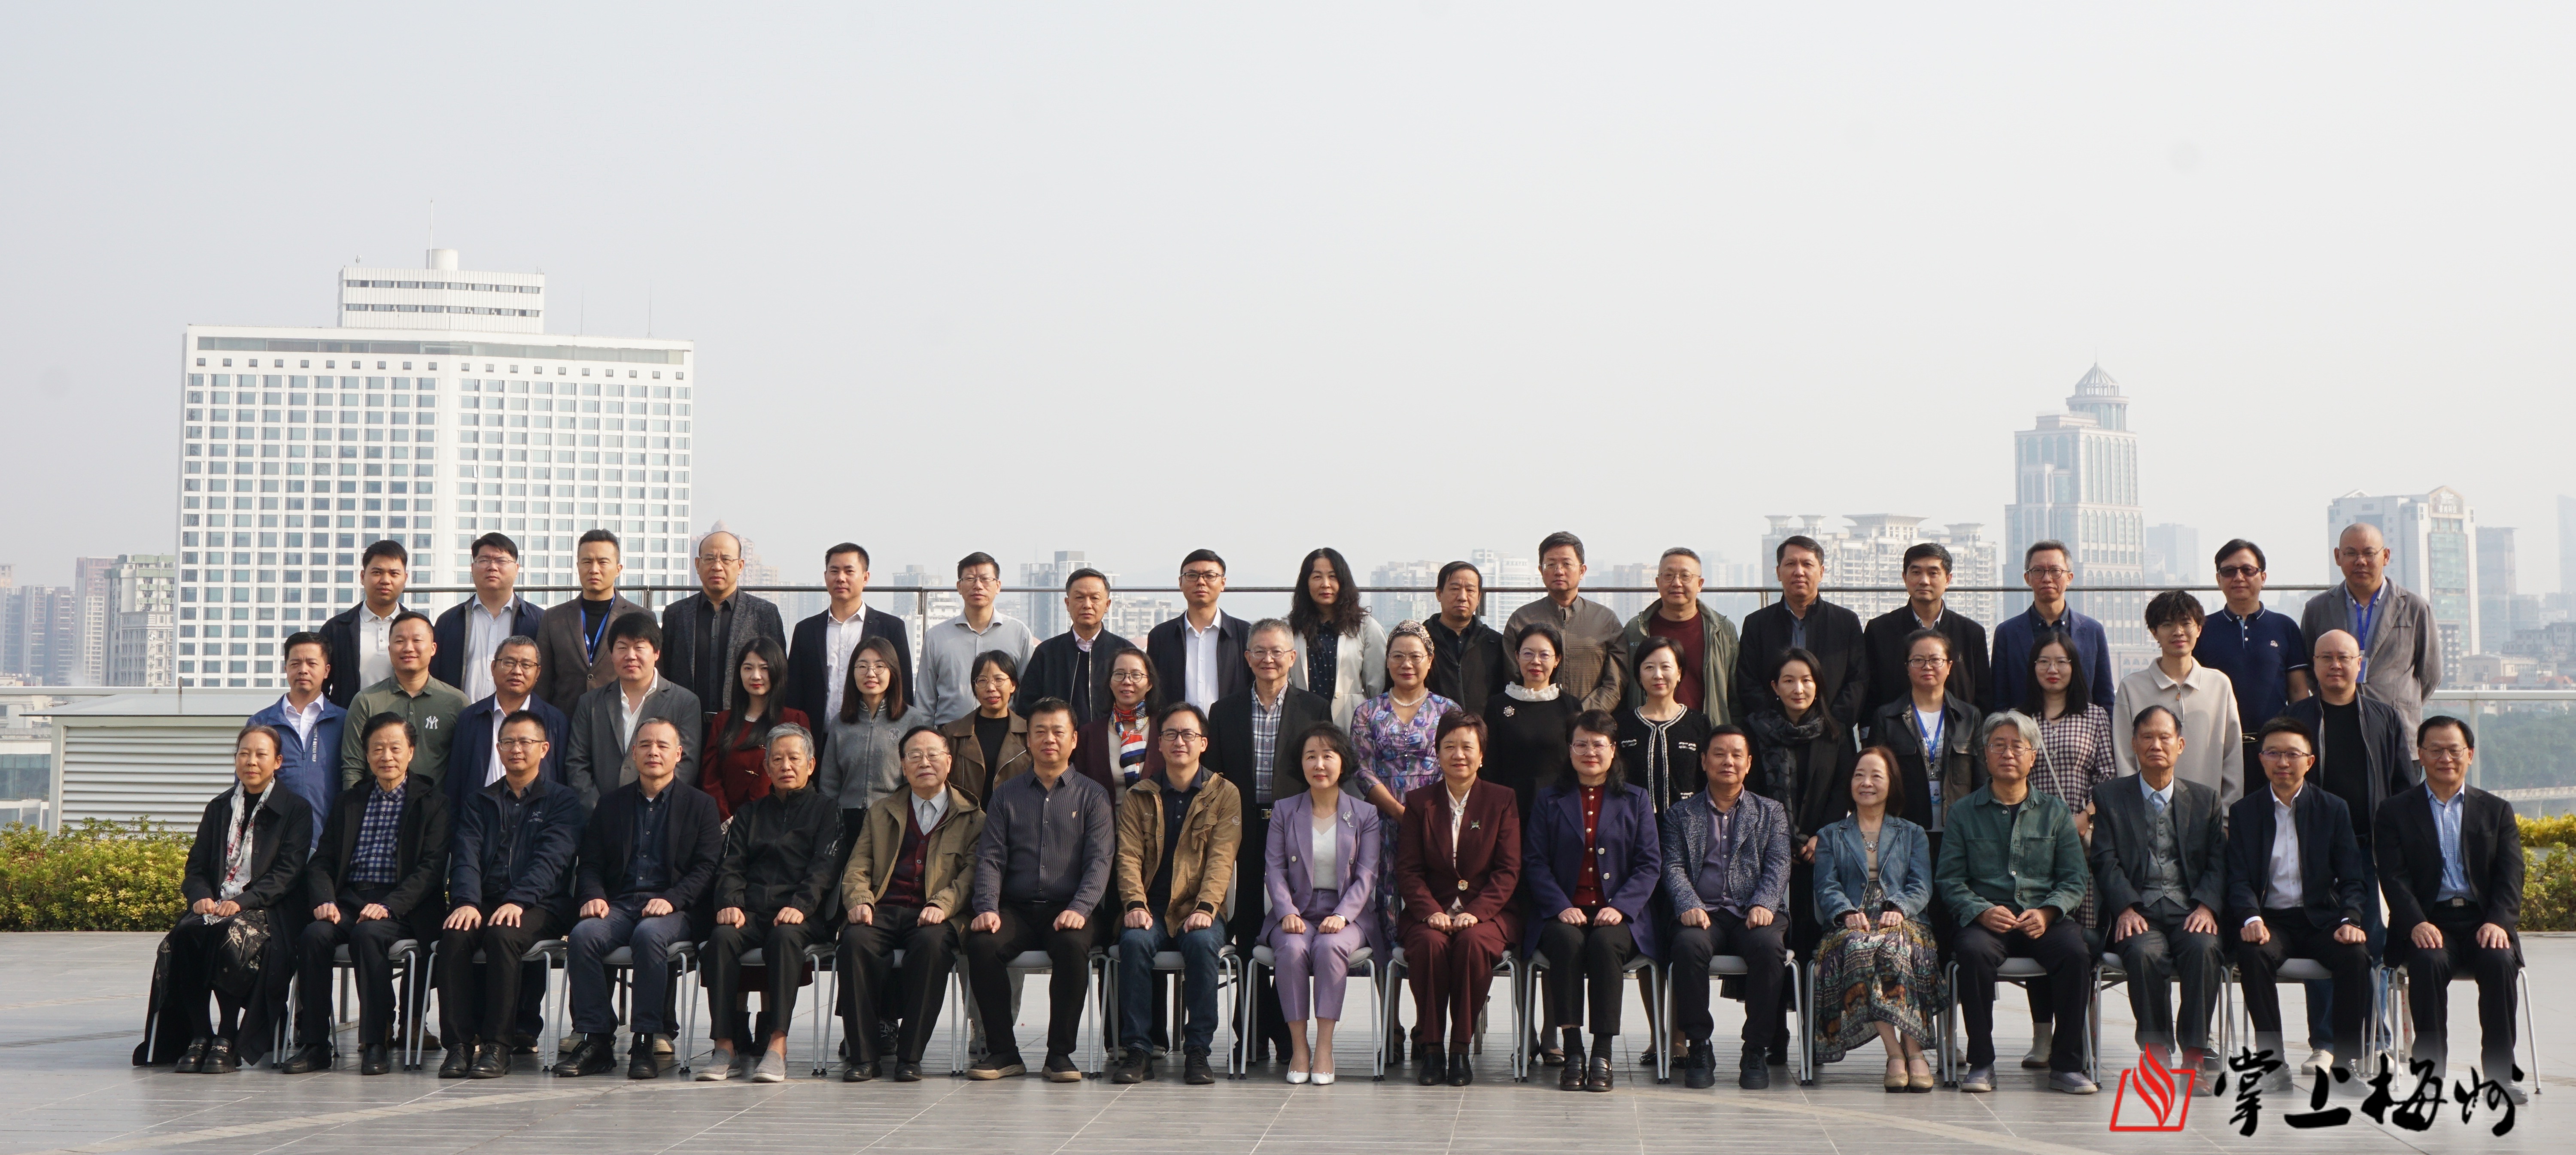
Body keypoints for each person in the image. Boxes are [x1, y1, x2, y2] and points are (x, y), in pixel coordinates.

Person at [1937, 712, 2097, 1094]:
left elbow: (2075, 878)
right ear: (1986, 754)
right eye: (1999, 745)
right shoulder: (1963, 813)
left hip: (2043, 919)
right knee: (1972, 952)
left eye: (2017, 746)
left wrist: (2048, 911)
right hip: (1988, 921)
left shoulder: (2056, 812)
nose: (2008, 753)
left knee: (2075, 952)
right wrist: (1981, 911)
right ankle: (1982, 1063)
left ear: (2033, 757)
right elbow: (1949, 879)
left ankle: (2067, 1065)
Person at [2281, 628, 2418, 1074]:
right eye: (2326, 658)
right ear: (2314, 666)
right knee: (2325, 943)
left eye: (2344, 657)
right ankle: (2325, 1043)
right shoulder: (2296, 718)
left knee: (2370, 943)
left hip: (2367, 849)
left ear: (2360, 663)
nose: (2335, 666)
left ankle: (2376, 1041)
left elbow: (2403, 787)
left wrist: (2401, 847)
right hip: (2312, 852)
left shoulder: (2384, 717)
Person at [286, 712, 452, 1076]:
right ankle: (314, 1043)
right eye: (377, 748)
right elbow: (322, 860)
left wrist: (389, 905)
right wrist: (325, 899)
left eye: (395, 748)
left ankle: (376, 1040)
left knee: (368, 935)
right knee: (314, 936)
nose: (386, 756)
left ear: (411, 751)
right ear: (366, 754)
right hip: (349, 900)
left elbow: (431, 869)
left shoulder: (433, 802)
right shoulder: (350, 800)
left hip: (404, 906)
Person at [558, 718, 723, 1080]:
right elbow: (591, 863)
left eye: (663, 745)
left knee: (649, 935)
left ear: (679, 754)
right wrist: (594, 895)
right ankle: (596, 1038)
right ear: (634, 753)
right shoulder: (611, 804)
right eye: (645, 744)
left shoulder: (700, 805)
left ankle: (646, 1038)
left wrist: (673, 898)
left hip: (673, 908)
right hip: (620, 903)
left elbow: (707, 867)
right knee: (584, 935)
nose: (653, 752)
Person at [963, 698, 1117, 1082]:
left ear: (1074, 739)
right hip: (1015, 908)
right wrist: (987, 907)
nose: (1050, 739)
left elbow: (1100, 861)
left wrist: (1081, 907)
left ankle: (1059, 1054)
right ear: (1027, 740)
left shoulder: (1093, 796)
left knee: (1072, 945)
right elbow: (991, 857)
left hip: (1069, 906)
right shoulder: (1006, 795)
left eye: (1058, 731)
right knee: (982, 943)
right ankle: (1003, 1051)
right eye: (1040, 732)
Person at [2376, 716, 2526, 1102]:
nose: (2446, 758)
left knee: (2499, 961)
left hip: (2482, 921)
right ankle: (2430, 1078)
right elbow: (2393, 877)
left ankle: (2501, 1077)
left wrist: (2499, 921)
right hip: (2429, 920)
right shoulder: (2394, 811)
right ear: (2420, 755)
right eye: (2436, 750)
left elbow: (2511, 874)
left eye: (2454, 750)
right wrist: (2416, 922)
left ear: (2469, 754)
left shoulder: (2496, 810)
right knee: (2427, 962)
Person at [146, 726, 313, 1073]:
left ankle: (227, 1034)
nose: (251, 761)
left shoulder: (295, 809)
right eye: (244, 753)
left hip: (269, 908)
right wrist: (201, 896)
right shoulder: (220, 807)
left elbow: (288, 873)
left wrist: (243, 901)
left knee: (230, 936)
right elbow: (196, 866)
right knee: (183, 936)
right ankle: (200, 1034)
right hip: (218, 904)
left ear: (278, 762)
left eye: (261, 754)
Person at [2226, 718, 2375, 1096]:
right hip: (2272, 921)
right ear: (2261, 759)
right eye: (2273, 753)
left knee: (2356, 954)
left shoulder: (2333, 809)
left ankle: (2344, 1063)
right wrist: (2251, 916)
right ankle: (2273, 1065)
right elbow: (2238, 879)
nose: (2283, 762)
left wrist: (2351, 919)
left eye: (2292, 754)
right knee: (2253, 953)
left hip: (2322, 919)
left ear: (2309, 761)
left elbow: (2353, 878)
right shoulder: (2245, 812)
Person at [437, 709, 586, 1080]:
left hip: (541, 903)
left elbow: (552, 860)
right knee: (455, 934)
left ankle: (498, 1045)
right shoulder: (479, 800)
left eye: (525, 741)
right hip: (485, 899)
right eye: (508, 742)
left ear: (544, 748)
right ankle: (458, 1044)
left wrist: (518, 900)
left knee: (503, 934)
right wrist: (466, 901)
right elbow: (466, 855)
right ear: (498, 748)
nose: (516, 749)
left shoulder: (563, 801)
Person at [1207, 619, 1331, 1064]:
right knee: (1247, 930)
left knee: (1286, 924)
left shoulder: (1314, 708)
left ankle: (1278, 1028)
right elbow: (1215, 776)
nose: (1268, 659)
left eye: (1278, 651)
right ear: (1247, 658)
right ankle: (1251, 1033)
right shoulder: (1224, 711)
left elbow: (1323, 770)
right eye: (1259, 651)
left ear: (1292, 658)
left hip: (1294, 829)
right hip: (1241, 829)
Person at [839, 725, 985, 1082]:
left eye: (933, 754)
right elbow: (858, 865)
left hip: (936, 912)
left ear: (949, 762)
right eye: (915, 756)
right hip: (884, 908)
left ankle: (910, 1055)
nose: (925, 762)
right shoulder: (881, 811)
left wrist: (943, 904)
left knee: (933, 946)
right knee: (854, 941)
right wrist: (860, 900)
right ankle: (864, 1055)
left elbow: (972, 874)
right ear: (903, 765)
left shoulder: (972, 817)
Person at [1525, 709, 1661, 1093]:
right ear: (1569, 749)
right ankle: (1572, 1051)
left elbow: (1650, 863)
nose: (1589, 752)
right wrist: (1559, 905)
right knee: (1566, 942)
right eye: (1581, 744)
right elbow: (1534, 861)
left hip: (1619, 913)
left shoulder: (1635, 799)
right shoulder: (1549, 799)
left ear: (1613, 749)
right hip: (1563, 910)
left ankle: (1602, 1053)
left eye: (1598, 744)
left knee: (1605, 945)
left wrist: (1620, 906)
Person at [1109, 702, 1243, 1085]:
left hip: (1199, 907)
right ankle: (1138, 1048)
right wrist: (1135, 903)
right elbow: (1128, 857)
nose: (1179, 741)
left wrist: (1206, 906)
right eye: (1171, 734)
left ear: (1203, 743)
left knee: (1202, 943)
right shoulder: (1140, 794)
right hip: (1150, 908)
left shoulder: (1224, 793)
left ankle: (1198, 1049)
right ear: (1159, 743)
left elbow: (1222, 858)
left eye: (1188, 734)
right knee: (1134, 941)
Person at [700, 724, 841, 1084]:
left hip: (801, 915)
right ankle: (724, 1045)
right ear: (766, 767)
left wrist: (801, 905)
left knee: (784, 937)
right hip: (752, 910)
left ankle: (777, 1044)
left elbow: (825, 867)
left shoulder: (827, 811)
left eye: (794, 758)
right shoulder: (750, 814)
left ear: (811, 764)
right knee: (721, 937)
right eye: (777, 759)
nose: (785, 766)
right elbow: (731, 864)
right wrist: (730, 902)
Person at [2089, 706, 2227, 1072]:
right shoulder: (2109, 796)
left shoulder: (2205, 799)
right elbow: (2104, 860)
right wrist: (2125, 907)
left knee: (2205, 948)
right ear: (2134, 744)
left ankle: (2195, 1055)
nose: (2156, 745)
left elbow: (2218, 862)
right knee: (2143, 952)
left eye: (2165, 737)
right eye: (2147, 737)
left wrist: (2207, 906)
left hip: (2189, 909)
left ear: (2180, 744)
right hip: (2139, 911)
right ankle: (2157, 1053)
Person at [1394, 711, 1523, 1087]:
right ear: (1437, 753)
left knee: (1471, 944)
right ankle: (1432, 1047)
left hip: (1488, 914)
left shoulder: (1501, 800)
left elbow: (1508, 870)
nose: (1458, 754)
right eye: (1449, 746)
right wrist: (1430, 911)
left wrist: (1477, 913)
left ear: (1482, 755)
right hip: (1430, 913)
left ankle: (1460, 1048)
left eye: (1467, 746)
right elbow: (1409, 869)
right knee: (1430, 945)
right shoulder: (1420, 802)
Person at [1663, 726, 1791, 1090]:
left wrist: (1764, 902)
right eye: (1719, 754)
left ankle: (1756, 1048)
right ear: (1704, 761)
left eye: (1737, 755)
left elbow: (1780, 862)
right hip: (1703, 913)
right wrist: (1689, 903)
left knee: (1769, 948)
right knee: (1687, 946)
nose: (1728, 761)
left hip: (1754, 911)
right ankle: (1699, 1045)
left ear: (1749, 763)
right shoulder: (1680, 813)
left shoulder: (1771, 811)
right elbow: (1671, 865)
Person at [2014, 630, 2118, 1066]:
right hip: (2031, 843)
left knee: (2081, 942)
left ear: (2075, 668)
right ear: (2033, 668)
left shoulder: (2094, 717)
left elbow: (2108, 778)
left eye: (2061, 662)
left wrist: (2085, 817)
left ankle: (2077, 1035)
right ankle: (2042, 1036)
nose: (2052, 670)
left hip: (2079, 844)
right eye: (2044, 661)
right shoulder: (2020, 718)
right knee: (2039, 932)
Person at [1810, 746, 1938, 1091]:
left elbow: (1921, 885)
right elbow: (1826, 885)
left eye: (1876, 776)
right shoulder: (1831, 834)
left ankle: (1913, 1051)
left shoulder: (1912, 833)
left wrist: (1900, 908)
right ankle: (1895, 1052)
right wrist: (1847, 912)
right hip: (1850, 924)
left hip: (1904, 920)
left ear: (1891, 782)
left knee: (1898, 947)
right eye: (1859, 775)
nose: (1866, 783)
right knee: (1859, 948)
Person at [1265, 723, 1383, 1085]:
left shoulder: (1364, 813)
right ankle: (1299, 1046)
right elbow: (1274, 868)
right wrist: (1286, 911)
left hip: (1347, 913)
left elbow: (1367, 875)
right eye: (1311, 756)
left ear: (1342, 761)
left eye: (1328, 756)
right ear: (1300, 763)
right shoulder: (1285, 810)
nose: (1319, 764)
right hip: (1296, 911)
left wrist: (1342, 915)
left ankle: (1325, 1047)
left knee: (1330, 947)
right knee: (1291, 949)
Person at [1747, 648, 1857, 983]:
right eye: (1789, 681)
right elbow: (1750, 790)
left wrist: (1822, 835)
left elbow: (1843, 789)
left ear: (1818, 684)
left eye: (1807, 680)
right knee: (1770, 944)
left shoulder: (1836, 733)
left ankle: (1814, 1013)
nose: (1799, 689)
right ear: (1775, 686)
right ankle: (1773, 1016)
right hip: (1767, 854)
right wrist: (1778, 842)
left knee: (1814, 943)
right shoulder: (1755, 730)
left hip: (1818, 852)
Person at [1349, 620, 1460, 919]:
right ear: (1387, 661)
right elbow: (1361, 768)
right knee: (1385, 891)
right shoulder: (1368, 711)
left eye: (1415, 656)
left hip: (1436, 817)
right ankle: (1387, 948)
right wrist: (1401, 813)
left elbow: (1456, 764)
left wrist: (1425, 814)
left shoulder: (1448, 711)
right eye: (1397, 656)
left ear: (1430, 660)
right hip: (1382, 818)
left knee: (1434, 892)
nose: (1406, 664)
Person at [2301, 523, 2443, 734]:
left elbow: (2431, 674)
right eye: (2351, 553)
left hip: (2397, 727)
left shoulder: (2415, 608)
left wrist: (2402, 702)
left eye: (2369, 553)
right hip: (2336, 725)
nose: (2361, 561)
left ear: (2386, 556)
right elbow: (2309, 668)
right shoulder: (2318, 609)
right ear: (2338, 557)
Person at [2195, 539, 2313, 783]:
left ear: (2263, 577)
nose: (2239, 577)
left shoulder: (2285, 627)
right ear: (2218, 580)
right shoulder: (2202, 630)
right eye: (2229, 571)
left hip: (2275, 752)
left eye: (2248, 570)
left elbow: (2298, 691)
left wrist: (2301, 742)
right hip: (2218, 749)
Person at [2114, 591, 2245, 807]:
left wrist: (2226, 815)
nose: (2178, 632)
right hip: (2147, 814)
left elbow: (2233, 756)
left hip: (2209, 815)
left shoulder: (2219, 684)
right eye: (2167, 625)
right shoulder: (2131, 688)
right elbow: (2124, 758)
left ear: (2199, 629)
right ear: (2154, 633)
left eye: (2186, 624)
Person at [787, 543, 914, 763]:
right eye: (834, 571)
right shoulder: (806, 630)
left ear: (865, 578)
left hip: (875, 741)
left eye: (849, 571)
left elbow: (904, 690)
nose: (841, 578)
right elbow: (794, 692)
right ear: (825, 576)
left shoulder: (891, 628)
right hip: (816, 740)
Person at [563, 613, 705, 809]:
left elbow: (686, 764)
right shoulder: (590, 703)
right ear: (612, 654)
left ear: (656, 653)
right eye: (622, 648)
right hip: (601, 816)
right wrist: (599, 810)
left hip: (662, 814)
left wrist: (654, 809)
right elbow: (577, 763)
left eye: (639, 647)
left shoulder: (685, 702)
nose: (630, 656)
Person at [1734, 535, 1867, 728]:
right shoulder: (1757, 624)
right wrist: (1775, 726)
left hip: (1831, 734)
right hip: (1771, 735)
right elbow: (1748, 683)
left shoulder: (1846, 623)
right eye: (1791, 564)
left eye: (1807, 564)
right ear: (1779, 573)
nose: (1799, 572)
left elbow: (1858, 682)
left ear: (1821, 572)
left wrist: (1830, 724)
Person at [659, 529, 787, 726]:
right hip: (686, 724)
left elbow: (779, 675)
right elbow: (665, 673)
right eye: (709, 559)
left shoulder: (764, 613)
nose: (717, 566)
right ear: (697, 564)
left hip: (744, 725)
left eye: (726, 560)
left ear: (740, 566)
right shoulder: (676, 614)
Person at [1866, 631, 1981, 844]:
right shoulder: (1887, 717)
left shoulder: (1970, 717)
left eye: (1936, 660)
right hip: (1904, 829)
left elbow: (1981, 779)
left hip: (1959, 830)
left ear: (1949, 666)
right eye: (1918, 660)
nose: (1927, 667)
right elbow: (1875, 777)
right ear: (1907, 667)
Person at [336, 611, 468, 790]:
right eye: (400, 641)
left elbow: (464, 766)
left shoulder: (456, 702)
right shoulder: (366, 701)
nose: (408, 648)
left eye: (417, 640)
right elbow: (353, 766)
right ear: (390, 649)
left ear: (433, 648)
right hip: (377, 804)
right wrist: (353, 805)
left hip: (435, 805)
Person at [1863, 543, 1991, 723]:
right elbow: (1869, 692)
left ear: (1948, 579)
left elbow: (1984, 695)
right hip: (1894, 733)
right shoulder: (1880, 630)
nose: (1924, 581)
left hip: (1959, 733)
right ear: (1905, 577)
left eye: (1933, 573)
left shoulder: (1971, 633)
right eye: (1916, 572)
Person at [446, 635, 571, 820]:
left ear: (538, 672)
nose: (517, 671)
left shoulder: (555, 721)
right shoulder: (470, 718)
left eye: (526, 665)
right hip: (479, 822)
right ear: (493, 668)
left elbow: (562, 780)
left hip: (537, 822)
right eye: (509, 663)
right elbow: (455, 782)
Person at [1617, 547, 1741, 726]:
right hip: (1648, 731)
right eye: (1669, 576)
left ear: (1700, 584)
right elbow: (1624, 688)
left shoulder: (1722, 631)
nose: (1676, 583)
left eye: (1685, 576)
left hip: (1708, 733)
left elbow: (1735, 694)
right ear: (1658, 582)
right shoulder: (1636, 629)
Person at [1506, 531, 1629, 712]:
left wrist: (1581, 715)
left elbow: (1615, 682)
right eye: (1551, 564)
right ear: (1541, 571)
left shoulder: (1605, 620)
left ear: (1582, 571)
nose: (1559, 571)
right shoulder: (1521, 619)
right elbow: (1512, 676)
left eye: (1567, 564)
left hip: (1591, 722)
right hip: (1534, 718)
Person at [1989, 540, 2115, 714]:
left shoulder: (2092, 631)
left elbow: (2105, 698)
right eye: (2038, 571)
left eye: (2055, 571)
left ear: (2070, 578)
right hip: (2022, 727)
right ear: (2028, 578)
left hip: (2080, 729)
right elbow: (1999, 700)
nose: (2047, 579)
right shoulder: (2007, 633)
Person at [247, 631, 346, 846]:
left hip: (330, 842)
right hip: (273, 843)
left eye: (312, 663)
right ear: (286, 669)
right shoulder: (261, 723)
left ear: (327, 670)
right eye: (295, 664)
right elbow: (246, 785)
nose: (303, 670)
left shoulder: (344, 722)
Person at [535, 529, 650, 714]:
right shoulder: (553, 618)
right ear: (578, 566)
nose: (594, 569)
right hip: (565, 720)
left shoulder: (642, 617)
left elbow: (650, 679)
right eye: (587, 562)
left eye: (603, 562)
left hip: (619, 719)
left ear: (618, 569)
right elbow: (542, 682)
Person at [919, 552, 1038, 726]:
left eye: (985, 579)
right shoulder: (937, 636)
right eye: (970, 579)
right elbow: (925, 699)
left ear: (998, 586)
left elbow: (1027, 694)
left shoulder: (1019, 633)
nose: (978, 586)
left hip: (1005, 731)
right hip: (950, 732)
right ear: (959, 587)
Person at [701, 637, 811, 821]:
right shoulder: (722, 721)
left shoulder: (795, 719)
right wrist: (727, 820)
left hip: (780, 822)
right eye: (748, 668)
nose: (756, 676)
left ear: (777, 671)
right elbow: (710, 778)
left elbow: (801, 777)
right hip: (729, 823)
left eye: (764, 668)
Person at [431, 532, 545, 701]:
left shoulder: (539, 621)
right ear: (472, 568)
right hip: (461, 715)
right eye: (484, 560)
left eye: (501, 561)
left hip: (521, 717)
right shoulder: (449, 621)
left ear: (517, 569)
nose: (492, 567)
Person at [821, 636, 911, 850]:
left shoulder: (912, 721)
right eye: (862, 666)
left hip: (894, 819)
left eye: (880, 666)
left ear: (893, 672)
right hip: (846, 820)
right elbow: (829, 782)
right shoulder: (840, 723)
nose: (871, 673)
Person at [1484, 619, 1580, 819]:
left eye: (1544, 655)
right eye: (1528, 654)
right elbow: (1490, 765)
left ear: (1557, 660)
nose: (1536, 661)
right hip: (1510, 810)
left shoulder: (1571, 707)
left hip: (1559, 809)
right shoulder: (1497, 705)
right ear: (1517, 656)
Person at [1018, 568, 1131, 726]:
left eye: (1095, 598)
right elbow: (1027, 708)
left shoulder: (1125, 653)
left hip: (1111, 738)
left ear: (1107, 605)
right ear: (1067, 603)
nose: (1087, 605)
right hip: (1057, 739)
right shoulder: (1047, 653)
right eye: (1079, 598)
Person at [1290, 546, 1388, 728]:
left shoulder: (1366, 627)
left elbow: (1377, 686)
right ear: (1306, 583)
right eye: (1317, 577)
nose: (1326, 584)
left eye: (1333, 577)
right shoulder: (1291, 628)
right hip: (1304, 722)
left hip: (1353, 723)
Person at [1148, 549, 1252, 712]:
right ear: (1180, 583)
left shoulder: (1245, 634)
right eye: (1192, 576)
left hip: (1231, 725)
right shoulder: (1161, 636)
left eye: (1210, 576)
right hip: (1176, 727)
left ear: (1223, 583)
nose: (1201, 582)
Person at [1619, 637, 1713, 813]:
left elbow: (1708, 780)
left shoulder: (1698, 723)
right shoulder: (1623, 724)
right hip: (1634, 823)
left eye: (1666, 667)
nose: (1658, 675)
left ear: (1679, 673)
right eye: (1649, 667)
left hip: (1688, 823)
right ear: (1639, 675)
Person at [319, 539, 411, 706]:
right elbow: (320, 686)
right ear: (363, 577)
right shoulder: (337, 629)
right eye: (377, 572)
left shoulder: (418, 629)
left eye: (394, 574)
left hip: (406, 720)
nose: (385, 580)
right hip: (351, 719)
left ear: (405, 578)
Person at [942, 650, 1032, 805]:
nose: (991, 688)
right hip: (966, 818)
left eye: (999, 680)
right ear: (974, 687)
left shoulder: (1028, 733)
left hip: (1016, 817)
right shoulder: (952, 734)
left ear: (1013, 685)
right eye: (982, 681)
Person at [1423, 560, 1512, 716]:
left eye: (1470, 590)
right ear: (1439, 594)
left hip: (1483, 729)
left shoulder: (1495, 643)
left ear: (1479, 597)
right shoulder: (1420, 641)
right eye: (1455, 589)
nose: (1462, 597)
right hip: (1431, 728)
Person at [1075, 647, 1163, 793]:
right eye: (1119, 674)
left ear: (1150, 684)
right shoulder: (1089, 734)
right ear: (1110, 682)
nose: (1127, 681)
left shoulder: (1165, 729)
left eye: (1136, 675)